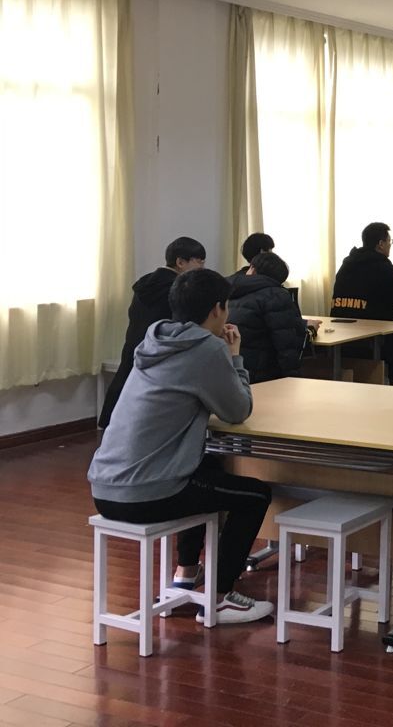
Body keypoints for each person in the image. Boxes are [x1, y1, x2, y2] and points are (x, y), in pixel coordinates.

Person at [87, 268, 274, 624]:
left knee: (205, 468)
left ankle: (186, 574)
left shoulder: (154, 340)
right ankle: (219, 597)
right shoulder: (207, 349)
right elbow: (238, 410)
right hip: (147, 492)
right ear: (218, 309)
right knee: (256, 496)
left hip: (104, 486)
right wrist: (235, 356)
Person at [99, 236, 207, 429]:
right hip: (158, 353)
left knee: (124, 402)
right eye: (199, 261)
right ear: (180, 262)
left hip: (134, 346)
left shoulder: (146, 283)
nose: (202, 267)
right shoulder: (179, 290)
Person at [330, 222, 393, 379]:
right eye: (389, 241)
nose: (390, 245)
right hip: (375, 337)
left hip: (342, 335)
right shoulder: (384, 267)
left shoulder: (347, 264)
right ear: (380, 244)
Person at [225, 252, 309, 382]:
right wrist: (293, 378)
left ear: (252, 268)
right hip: (263, 375)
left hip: (229, 369)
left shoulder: (226, 289)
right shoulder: (276, 295)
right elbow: (286, 344)